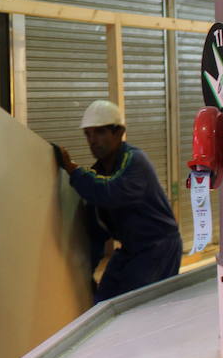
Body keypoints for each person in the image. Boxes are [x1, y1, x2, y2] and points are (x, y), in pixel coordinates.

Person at [57, 99, 182, 303]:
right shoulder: (97, 173)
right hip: (130, 249)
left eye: (99, 132)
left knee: (139, 310)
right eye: (88, 134)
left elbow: (110, 192)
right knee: (103, 302)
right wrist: (84, 273)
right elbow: (97, 230)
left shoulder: (135, 161)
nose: (92, 140)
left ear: (119, 132)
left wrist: (73, 171)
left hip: (158, 248)